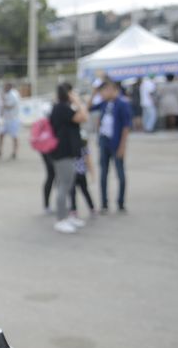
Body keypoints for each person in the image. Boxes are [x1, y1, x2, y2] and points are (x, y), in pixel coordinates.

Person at [49, 83, 88, 234]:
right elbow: (84, 116)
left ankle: (67, 215)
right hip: (62, 153)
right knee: (64, 185)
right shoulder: (62, 108)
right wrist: (78, 101)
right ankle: (61, 219)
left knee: (68, 184)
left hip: (67, 152)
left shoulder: (62, 107)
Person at [91, 79, 132, 214]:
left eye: (106, 90)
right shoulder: (103, 103)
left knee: (120, 173)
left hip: (116, 142)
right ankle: (104, 203)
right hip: (104, 141)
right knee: (103, 173)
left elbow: (126, 127)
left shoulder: (122, 104)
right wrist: (94, 93)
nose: (104, 92)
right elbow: (89, 108)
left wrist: (122, 146)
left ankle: (120, 202)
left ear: (114, 90)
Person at [70, 132, 96, 218]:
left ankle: (74, 210)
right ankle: (91, 208)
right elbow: (89, 162)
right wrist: (92, 174)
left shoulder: (71, 148)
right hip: (81, 174)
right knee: (85, 191)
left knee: (73, 193)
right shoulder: (84, 149)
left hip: (74, 174)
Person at [0, 82, 20, 159]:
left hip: (13, 119)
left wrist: (2, 102)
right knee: (1, 134)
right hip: (5, 119)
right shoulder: (5, 94)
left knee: (14, 136)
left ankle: (15, 151)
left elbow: (10, 106)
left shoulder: (14, 94)